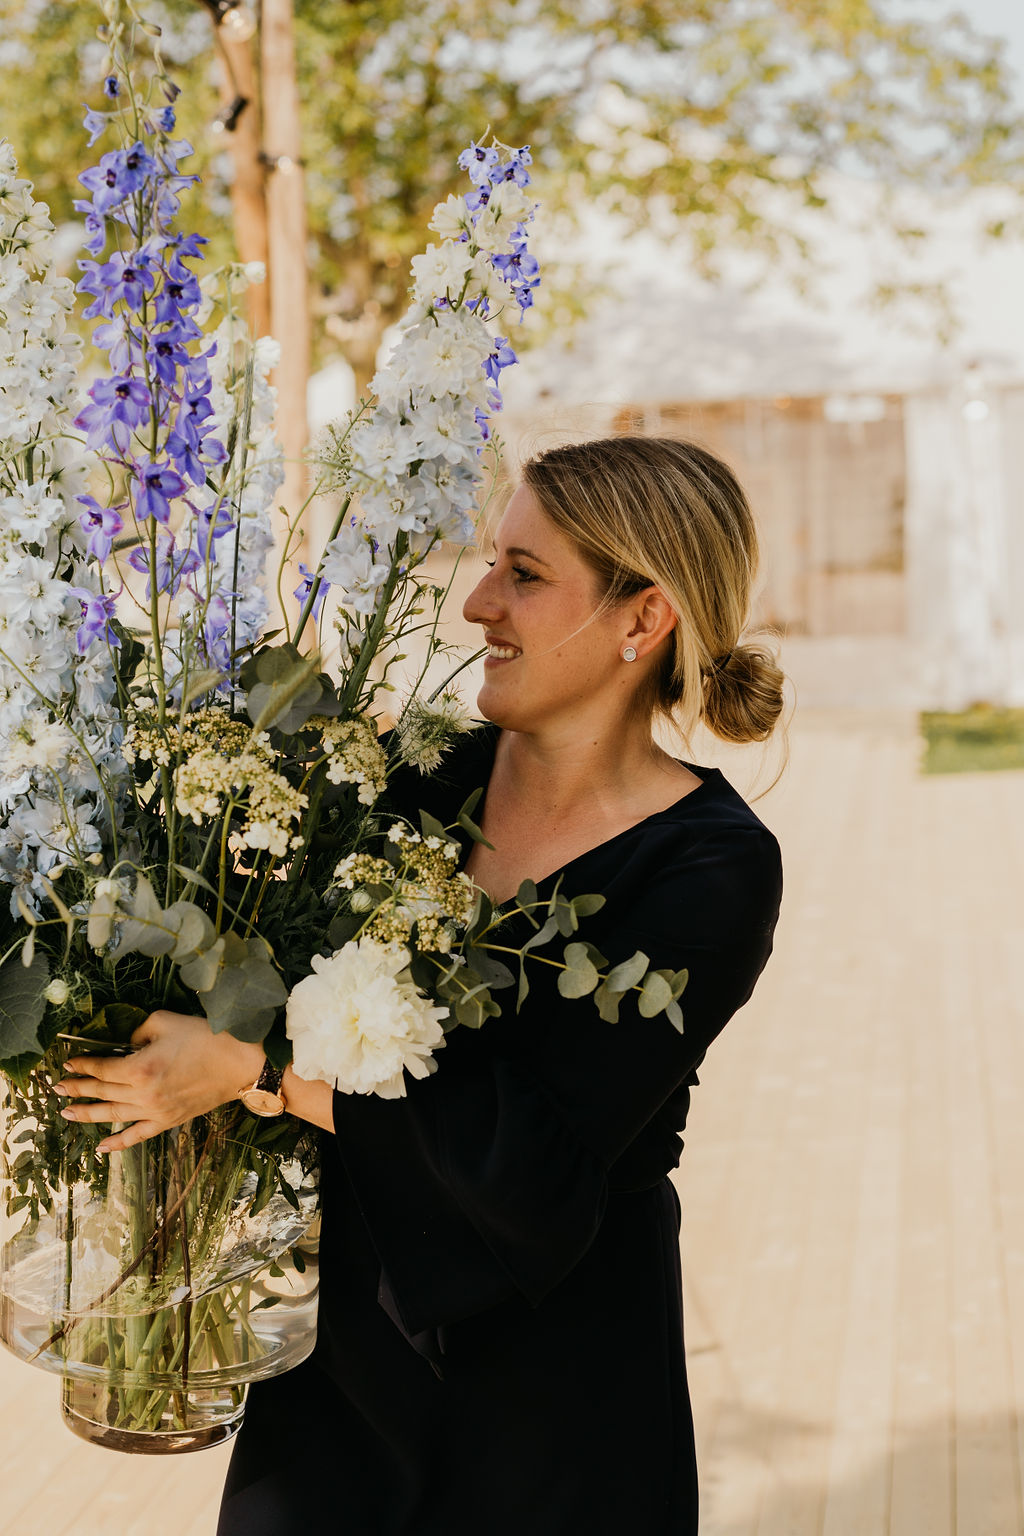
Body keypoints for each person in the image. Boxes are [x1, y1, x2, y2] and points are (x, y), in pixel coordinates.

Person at [56, 435, 785, 1535]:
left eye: (525, 576)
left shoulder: (711, 865)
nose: (475, 605)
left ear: (644, 620)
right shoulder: (411, 781)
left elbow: (532, 1164)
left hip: (562, 1400)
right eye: (490, 564)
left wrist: (255, 1068)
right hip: (342, 1362)